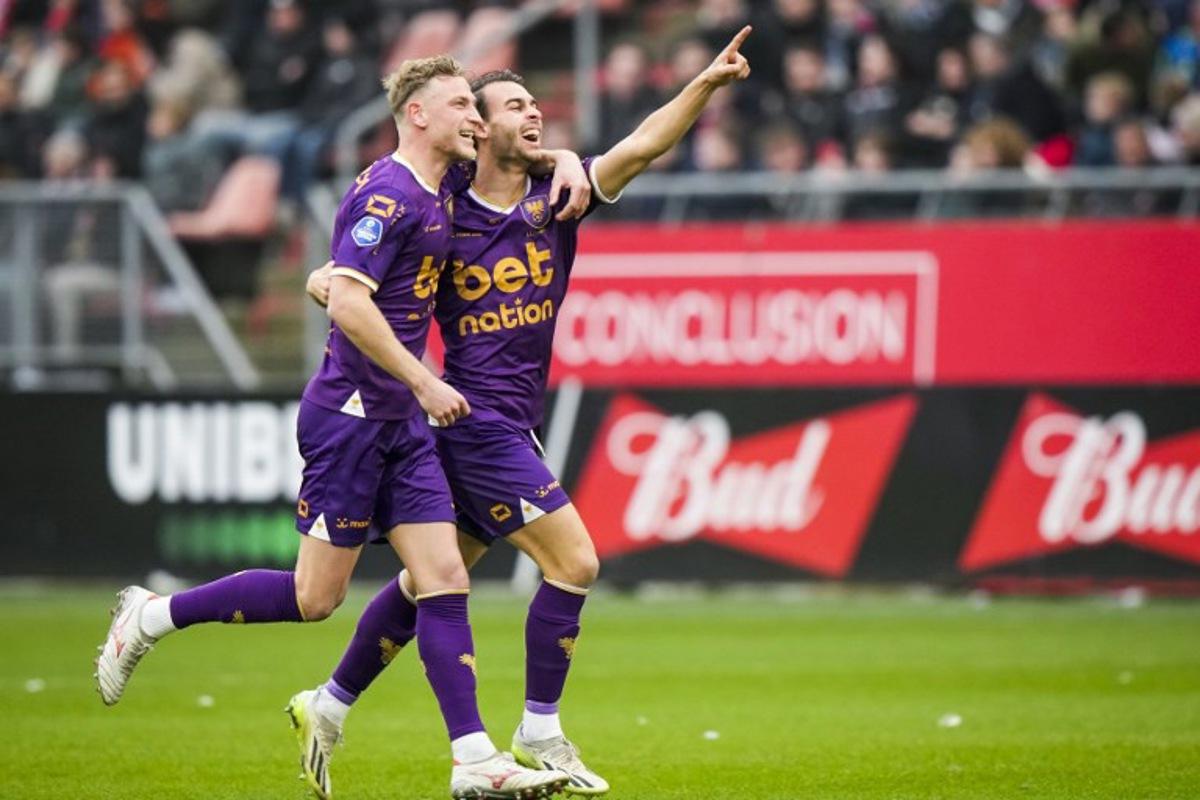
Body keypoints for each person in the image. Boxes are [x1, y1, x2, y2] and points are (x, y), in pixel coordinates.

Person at [95, 54, 589, 800]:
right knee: (313, 599)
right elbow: (349, 302)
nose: (477, 120)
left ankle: (474, 759)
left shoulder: (441, 187)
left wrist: (565, 155)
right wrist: (424, 379)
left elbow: (504, 157)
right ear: (418, 114)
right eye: (463, 105)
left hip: (405, 426)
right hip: (353, 417)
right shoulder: (389, 194)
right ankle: (154, 614)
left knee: (443, 579)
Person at [297, 25, 755, 800]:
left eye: (535, 103)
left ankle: (328, 703)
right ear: (477, 126)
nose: (532, 114)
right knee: (575, 562)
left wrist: (705, 86)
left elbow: (642, 146)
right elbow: (347, 271)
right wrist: (327, 287)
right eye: (512, 105)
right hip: (470, 420)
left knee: (428, 586)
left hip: (507, 419)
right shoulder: (442, 206)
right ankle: (537, 727)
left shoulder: (559, 196)